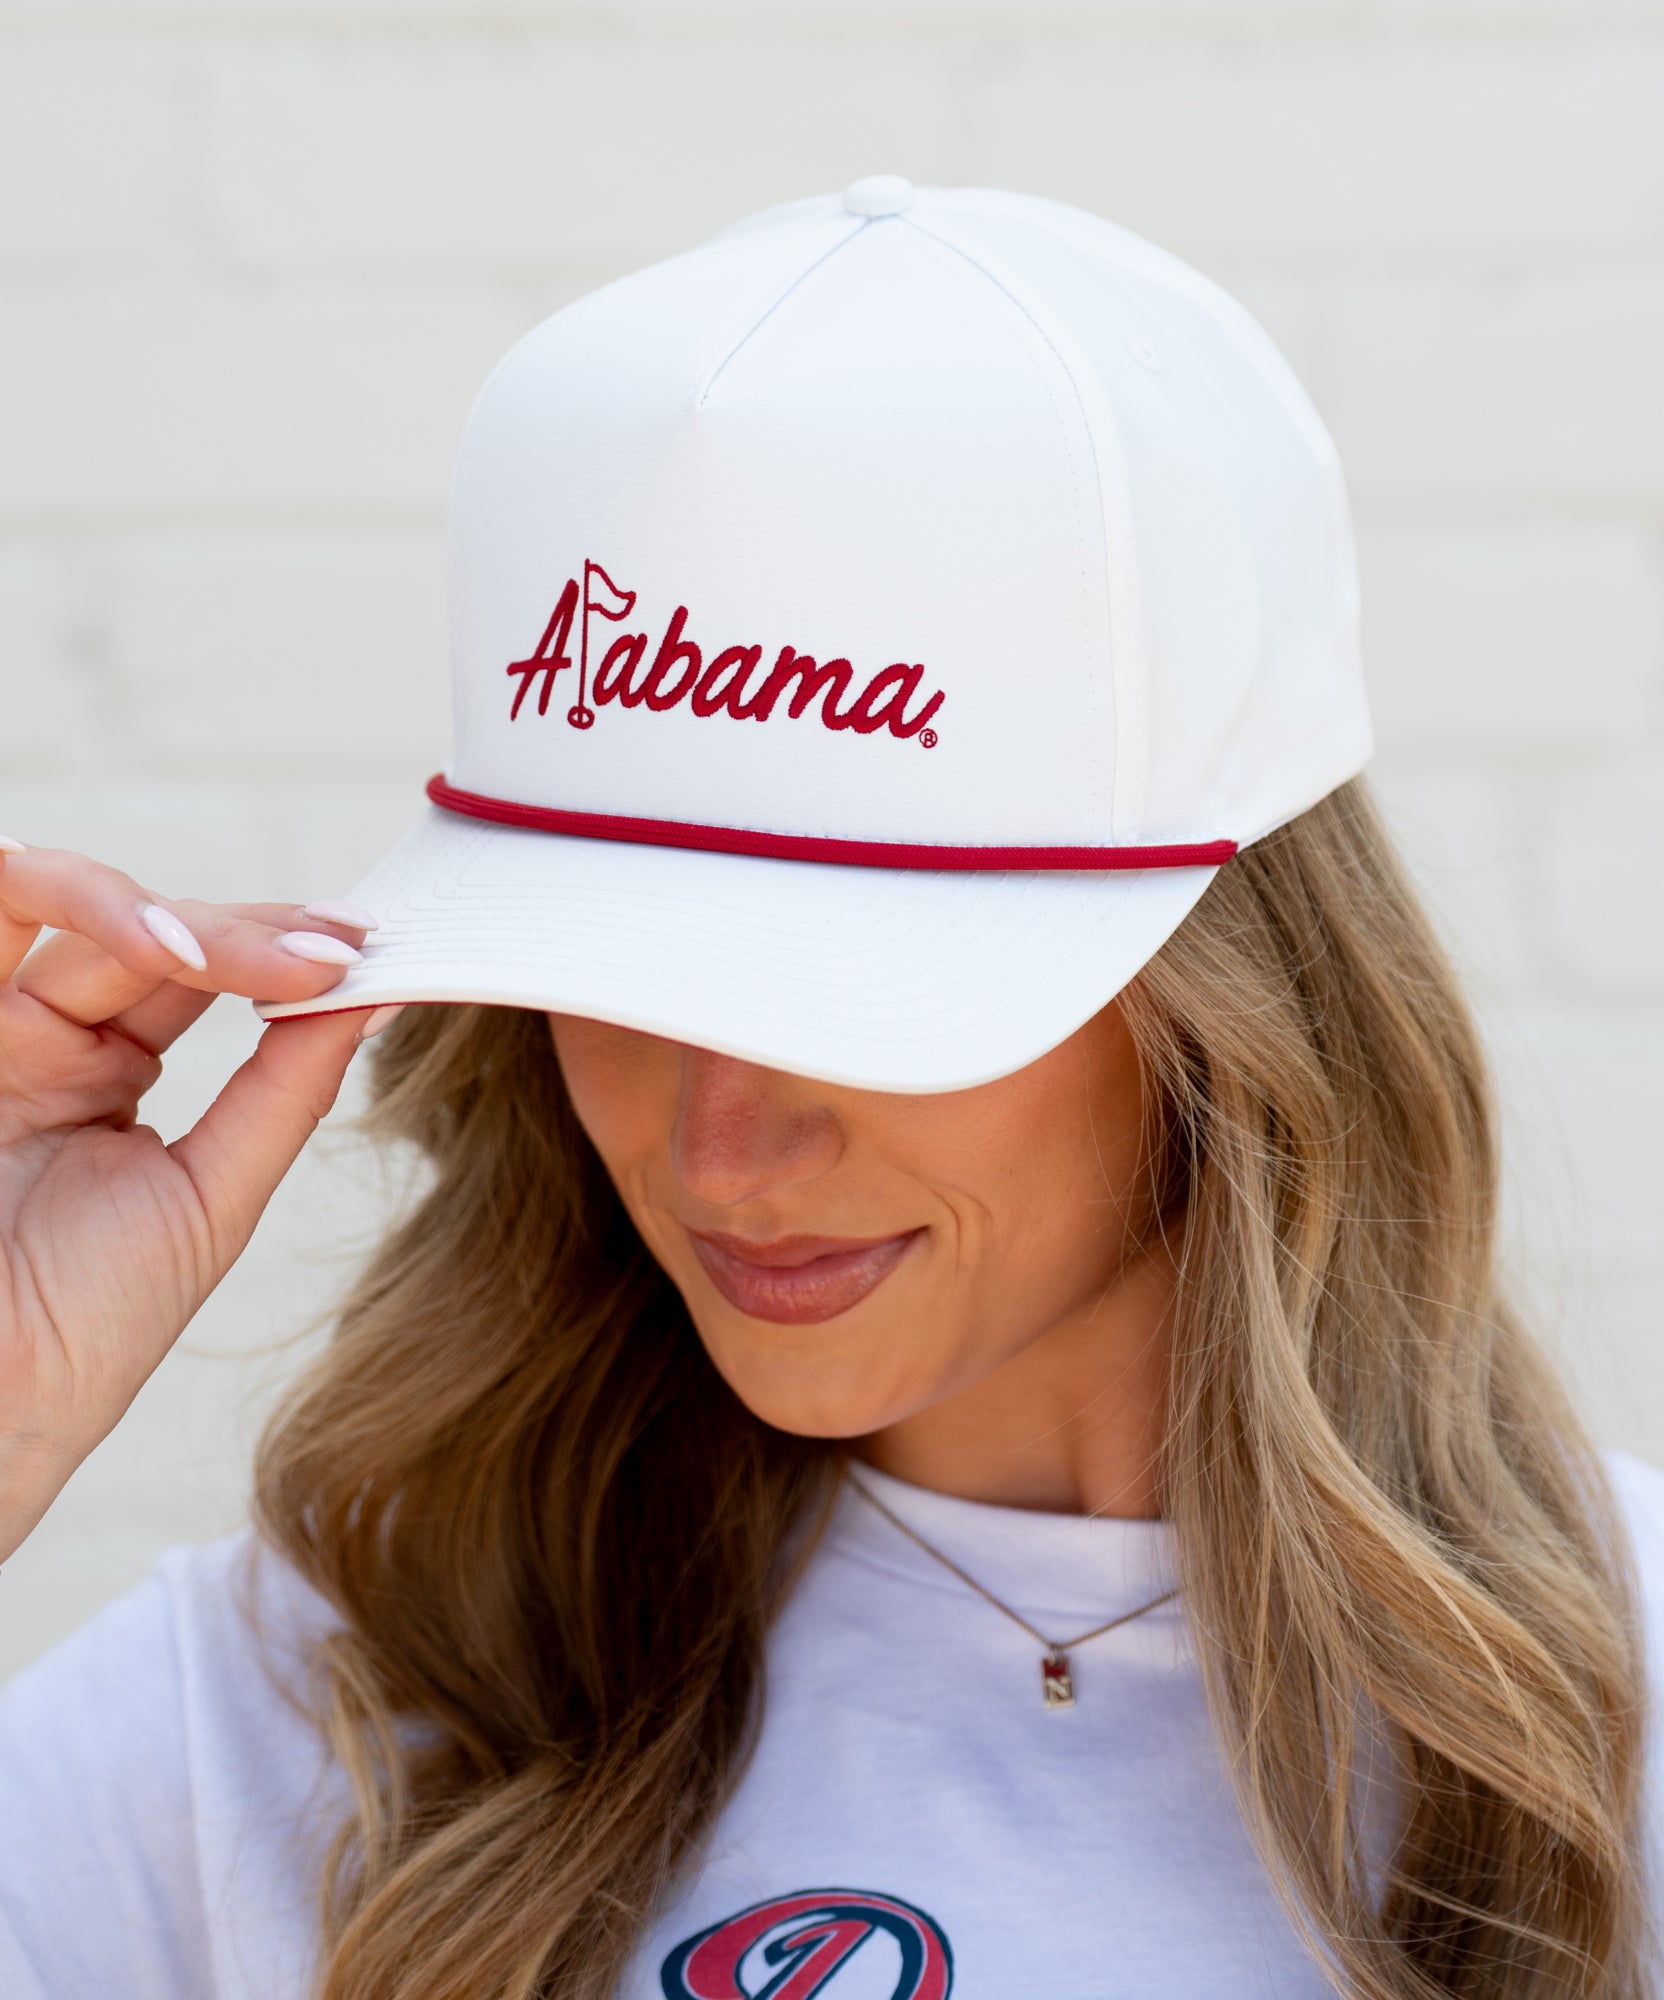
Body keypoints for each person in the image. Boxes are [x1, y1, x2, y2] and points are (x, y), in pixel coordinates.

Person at [0, 178, 1657, 2000]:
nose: (723, 1153)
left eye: (862, 1000)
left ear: (1229, 991)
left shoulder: (1618, 1714)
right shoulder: (293, 1716)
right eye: (614, 979)